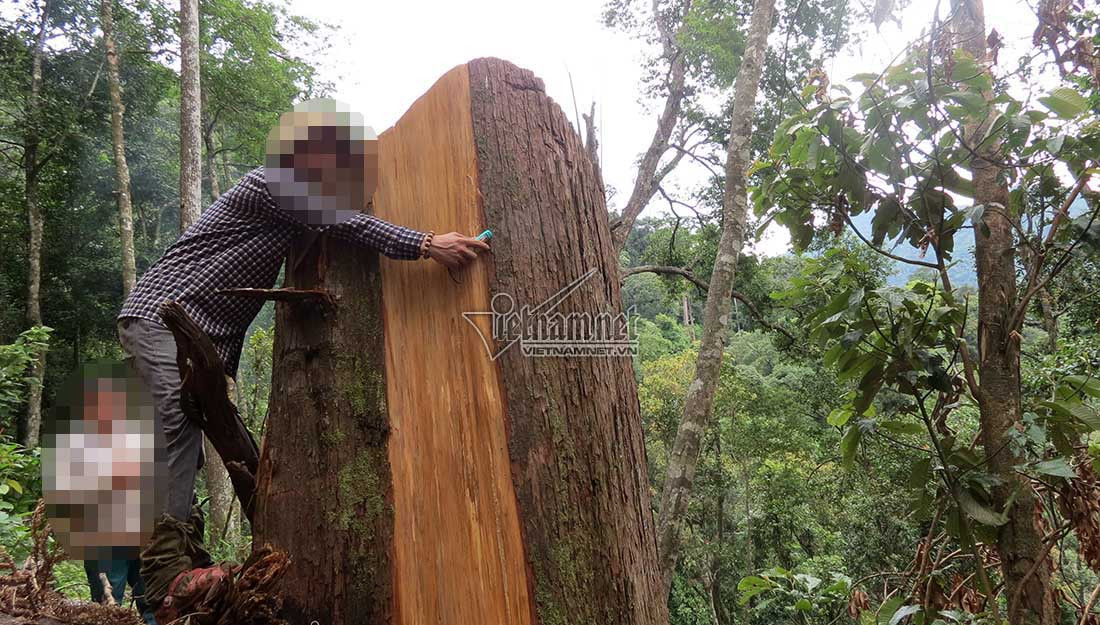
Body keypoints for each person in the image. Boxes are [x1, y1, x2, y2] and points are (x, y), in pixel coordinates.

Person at [117, 99, 489, 623]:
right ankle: (161, 583)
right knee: (174, 433)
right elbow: (342, 221)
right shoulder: (270, 182)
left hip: (200, 337)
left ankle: (184, 573)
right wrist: (425, 242)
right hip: (162, 315)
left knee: (189, 446)